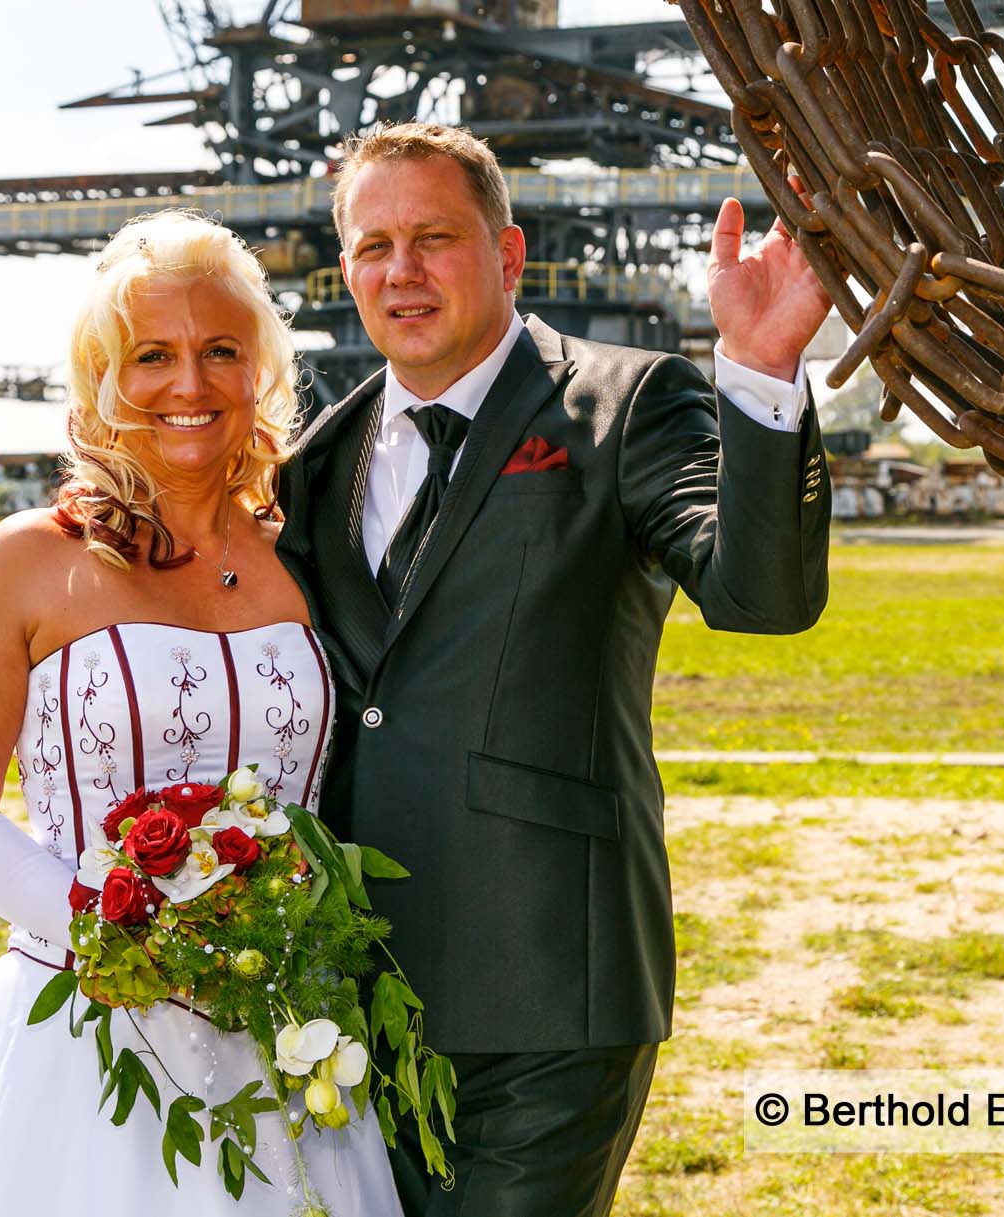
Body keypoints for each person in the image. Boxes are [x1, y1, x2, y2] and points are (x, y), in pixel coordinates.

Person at [274, 122, 832, 1217]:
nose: (403, 270)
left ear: (510, 254)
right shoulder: (309, 464)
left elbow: (761, 598)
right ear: (344, 270)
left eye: (434, 237)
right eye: (374, 244)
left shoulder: (627, 405)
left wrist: (760, 372)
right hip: (344, 1010)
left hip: (552, 993)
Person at [0, 210, 401, 1216]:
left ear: (257, 368)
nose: (190, 384)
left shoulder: (307, 554)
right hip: (86, 1032)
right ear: (102, 375)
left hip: (285, 1032)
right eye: (152, 355)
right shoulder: (29, 558)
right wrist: (116, 937)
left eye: (221, 350)